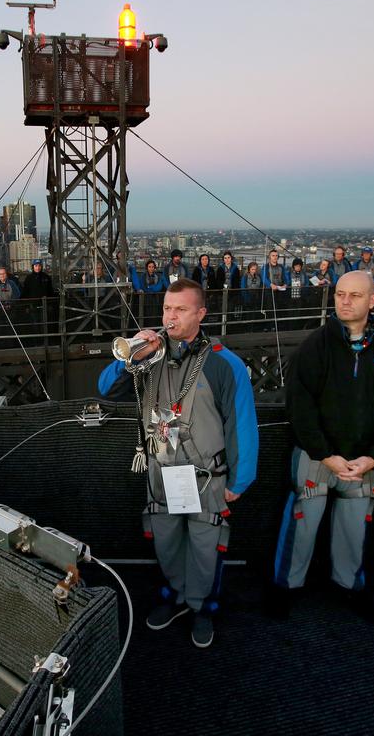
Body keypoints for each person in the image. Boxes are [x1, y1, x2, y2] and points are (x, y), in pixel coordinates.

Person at [98, 278, 258, 648]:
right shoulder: (148, 355)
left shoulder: (223, 362)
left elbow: (242, 424)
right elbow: (106, 389)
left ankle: (202, 606)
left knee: (206, 546)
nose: (171, 316)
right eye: (168, 309)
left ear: (201, 313)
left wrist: (240, 480)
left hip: (207, 476)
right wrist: (132, 356)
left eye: (181, 309)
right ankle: (177, 595)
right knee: (167, 542)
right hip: (161, 472)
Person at [271, 271, 374, 621]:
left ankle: (349, 586)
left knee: (354, 528)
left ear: (373, 300)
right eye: (340, 294)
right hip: (317, 457)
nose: (346, 301)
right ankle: (285, 588)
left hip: (365, 462)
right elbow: (299, 406)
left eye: (355, 295)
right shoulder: (314, 346)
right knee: (302, 524)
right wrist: (324, 453)